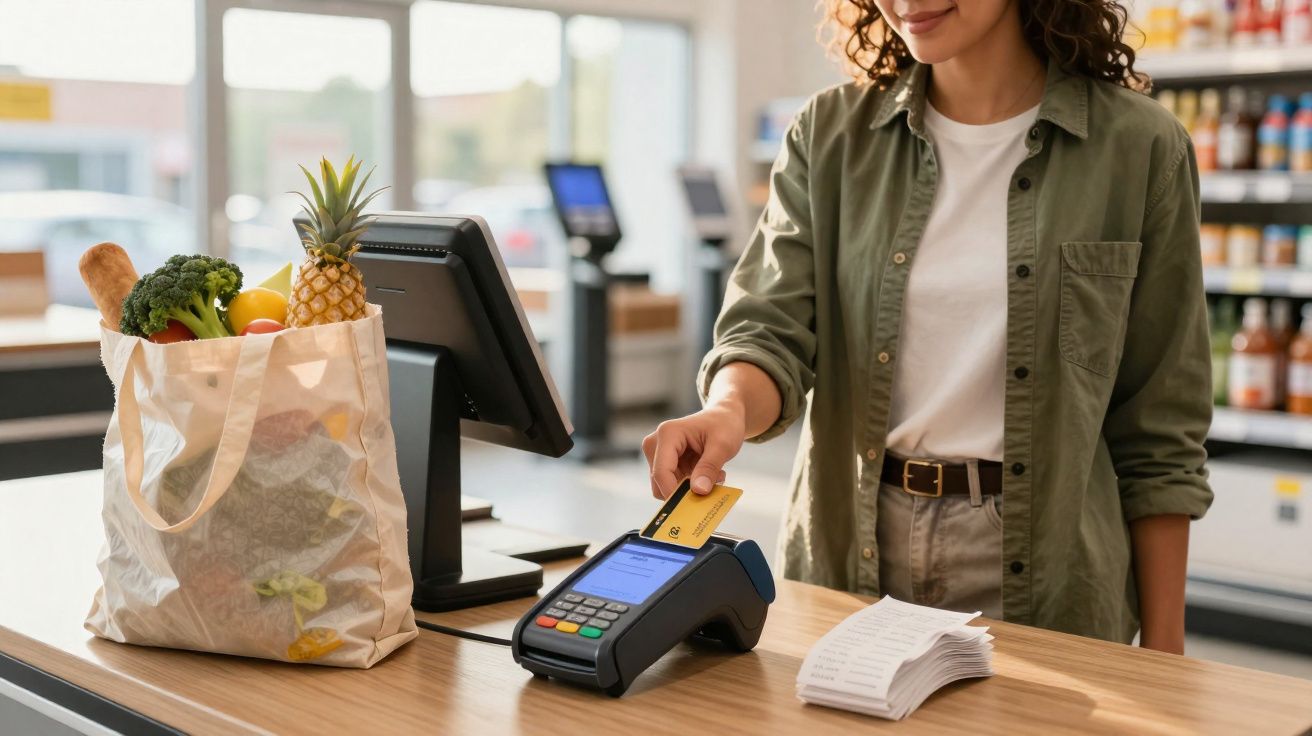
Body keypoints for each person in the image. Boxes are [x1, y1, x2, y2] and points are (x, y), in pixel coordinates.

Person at [643, 0, 1213, 653]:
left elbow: (1160, 432)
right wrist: (727, 410)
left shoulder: (1139, 148)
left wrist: (1166, 651)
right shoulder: (830, 134)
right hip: (849, 546)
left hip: (1050, 570)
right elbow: (770, 329)